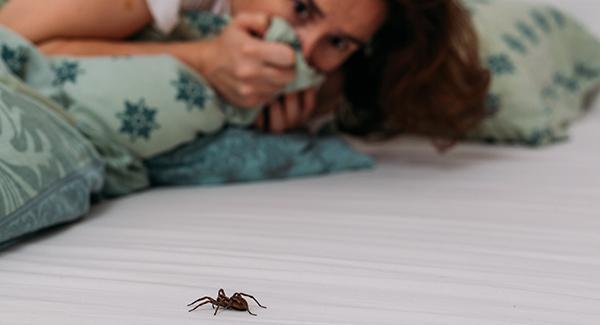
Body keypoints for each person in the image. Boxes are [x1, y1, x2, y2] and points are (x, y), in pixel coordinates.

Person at [0, 0, 490, 146]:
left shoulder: (326, 81)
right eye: (302, 7)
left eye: (337, 42)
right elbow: (12, 39)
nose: (302, 48)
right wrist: (203, 60)